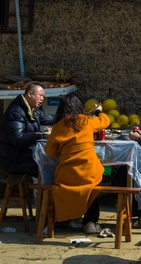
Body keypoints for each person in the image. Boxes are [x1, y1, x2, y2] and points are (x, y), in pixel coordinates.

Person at [44, 94, 111, 234]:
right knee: (92, 188)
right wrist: (98, 111)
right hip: (90, 171)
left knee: (60, 187)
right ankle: (90, 222)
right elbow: (105, 121)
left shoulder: (58, 127)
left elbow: (50, 152)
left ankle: (63, 219)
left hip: (67, 174)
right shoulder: (87, 120)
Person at [0, 83, 55, 176]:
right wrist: (42, 134)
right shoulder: (16, 112)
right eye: (40, 95)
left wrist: (65, 118)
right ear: (30, 94)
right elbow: (19, 139)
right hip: (14, 160)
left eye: (43, 96)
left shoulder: (32, 109)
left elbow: (48, 118)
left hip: (25, 155)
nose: (42, 99)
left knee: (52, 159)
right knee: (50, 165)